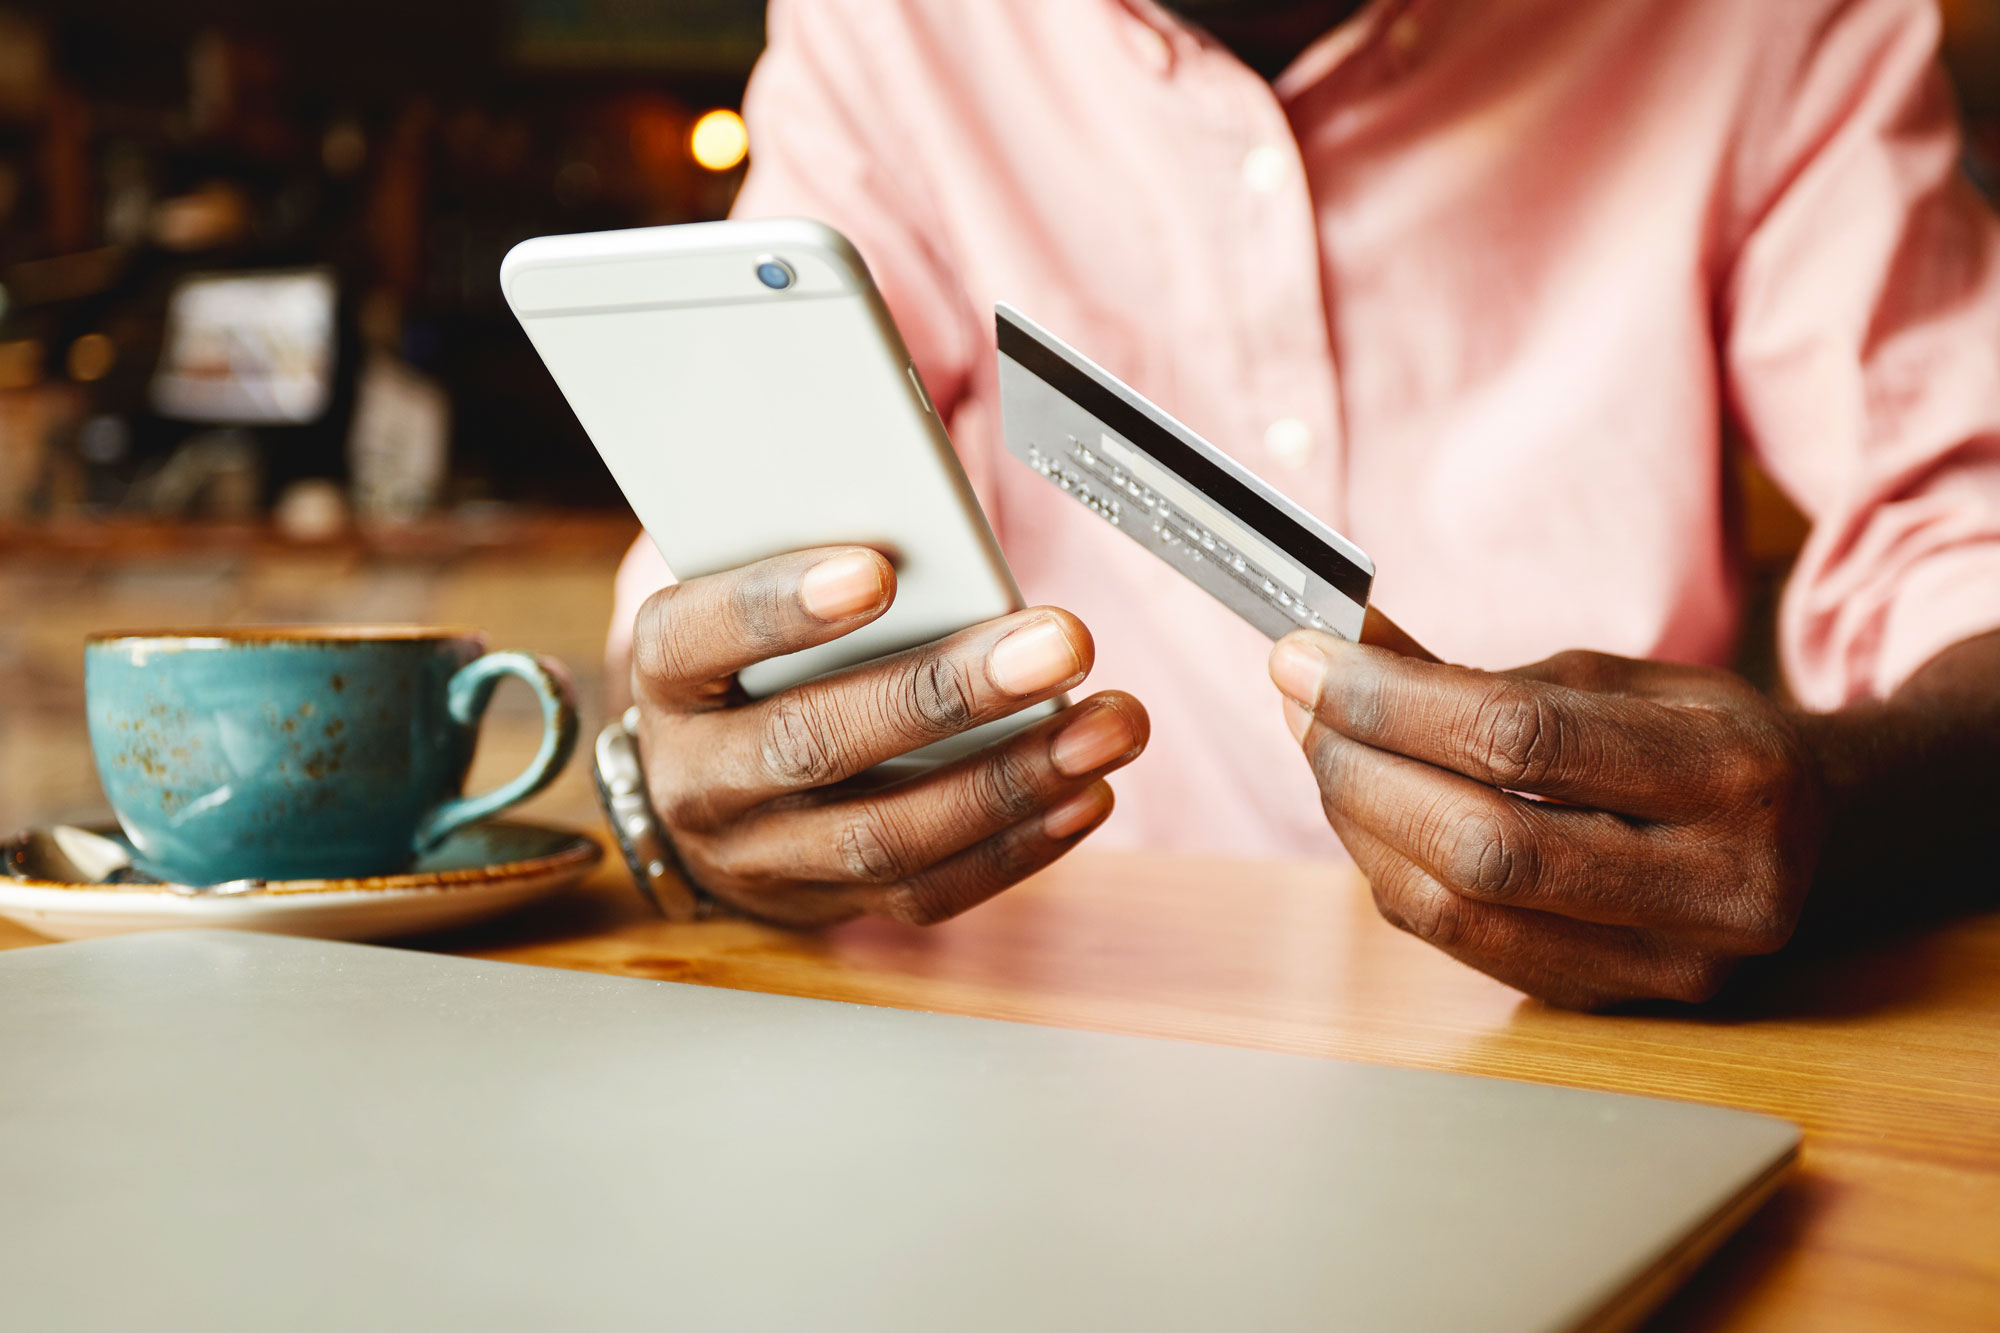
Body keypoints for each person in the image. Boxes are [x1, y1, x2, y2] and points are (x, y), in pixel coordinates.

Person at [607, 0, 2000, 1008]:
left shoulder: (1773, 27)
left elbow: (1969, 530)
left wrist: (1848, 812)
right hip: (1036, 1025)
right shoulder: (894, 33)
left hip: (1596, 1048)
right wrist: (701, 775)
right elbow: (741, 567)